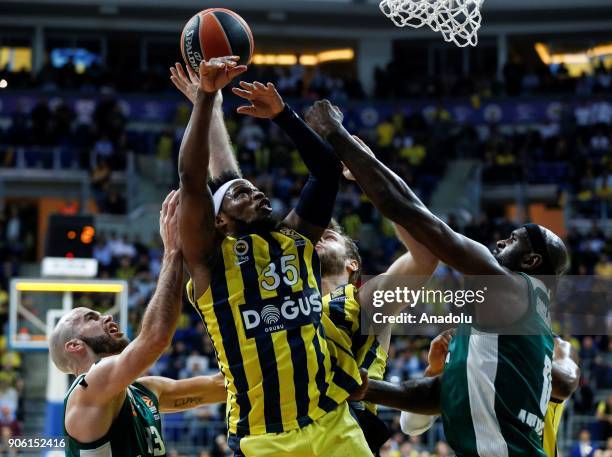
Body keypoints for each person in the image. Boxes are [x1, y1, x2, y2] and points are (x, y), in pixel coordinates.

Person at [306, 99, 569, 457]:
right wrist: (368, 389)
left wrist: (337, 135)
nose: (500, 240)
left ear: (532, 259)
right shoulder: (508, 321)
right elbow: (434, 397)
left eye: (513, 238)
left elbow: (415, 214)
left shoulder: (512, 287)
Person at [173, 59, 369, 456]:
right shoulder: (210, 260)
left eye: (256, 188)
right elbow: (193, 179)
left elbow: (326, 173)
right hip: (264, 438)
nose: (257, 193)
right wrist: (206, 98)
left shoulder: (295, 239)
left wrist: (284, 115)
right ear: (220, 220)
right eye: (240, 194)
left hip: (332, 421)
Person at [50, 190, 226, 456]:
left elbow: (218, 387)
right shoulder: (89, 388)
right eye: (91, 317)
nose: (106, 316)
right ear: (74, 345)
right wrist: (173, 252)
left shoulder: (144, 391)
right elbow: (155, 338)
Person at [396, 331, 580, 457]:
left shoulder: (554, 345)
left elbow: (565, 383)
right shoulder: (463, 342)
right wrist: (434, 370)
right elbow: (411, 426)